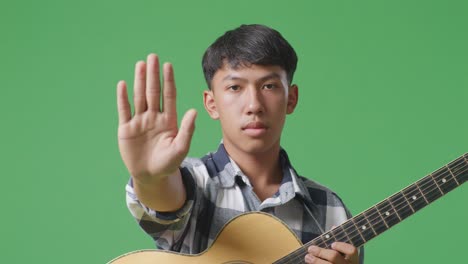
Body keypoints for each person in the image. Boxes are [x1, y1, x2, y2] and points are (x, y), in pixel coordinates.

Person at [117, 24, 363, 264]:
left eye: (269, 86)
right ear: (212, 103)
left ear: (291, 98)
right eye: (235, 87)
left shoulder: (330, 210)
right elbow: (165, 200)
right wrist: (150, 178)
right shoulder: (195, 181)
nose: (254, 105)